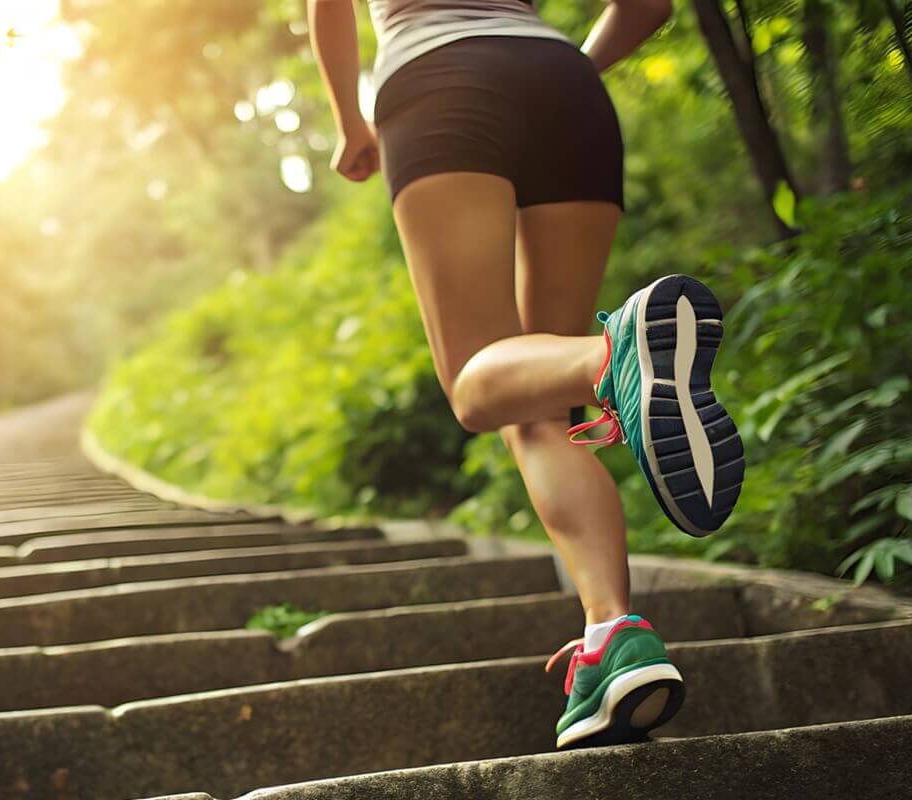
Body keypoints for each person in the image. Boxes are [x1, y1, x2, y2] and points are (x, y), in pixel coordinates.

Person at [306, 0, 745, 749]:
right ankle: (612, 635)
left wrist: (351, 119)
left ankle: (611, 357)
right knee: (537, 403)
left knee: (475, 386)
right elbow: (648, 6)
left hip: (438, 78)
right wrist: (568, 70)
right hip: (565, 85)